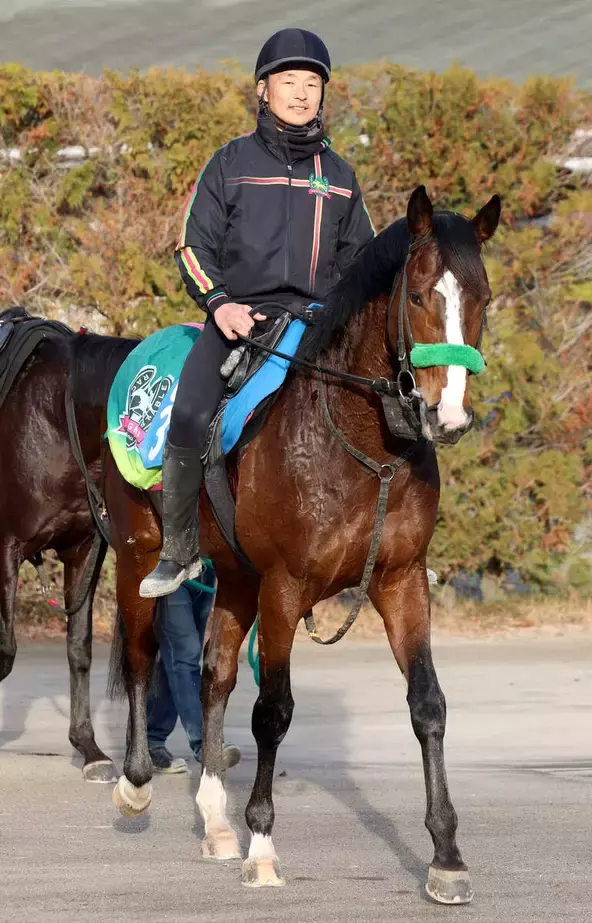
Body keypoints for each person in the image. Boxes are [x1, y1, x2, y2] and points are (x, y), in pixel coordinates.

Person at [140, 27, 374, 598]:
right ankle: (179, 551)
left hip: (318, 324)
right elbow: (193, 249)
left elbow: (363, 264)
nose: (301, 93)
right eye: (289, 81)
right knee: (191, 412)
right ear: (263, 89)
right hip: (239, 318)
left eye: (313, 83)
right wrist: (220, 306)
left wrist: (340, 316)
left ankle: (380, 543)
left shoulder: (341, 177)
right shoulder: (228, 163)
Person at [147, 565, 241, 772]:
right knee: (185, 654)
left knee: (176, 656)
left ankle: (152, 738)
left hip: (205, 569)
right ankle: (206, 744)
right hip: (170, 568)